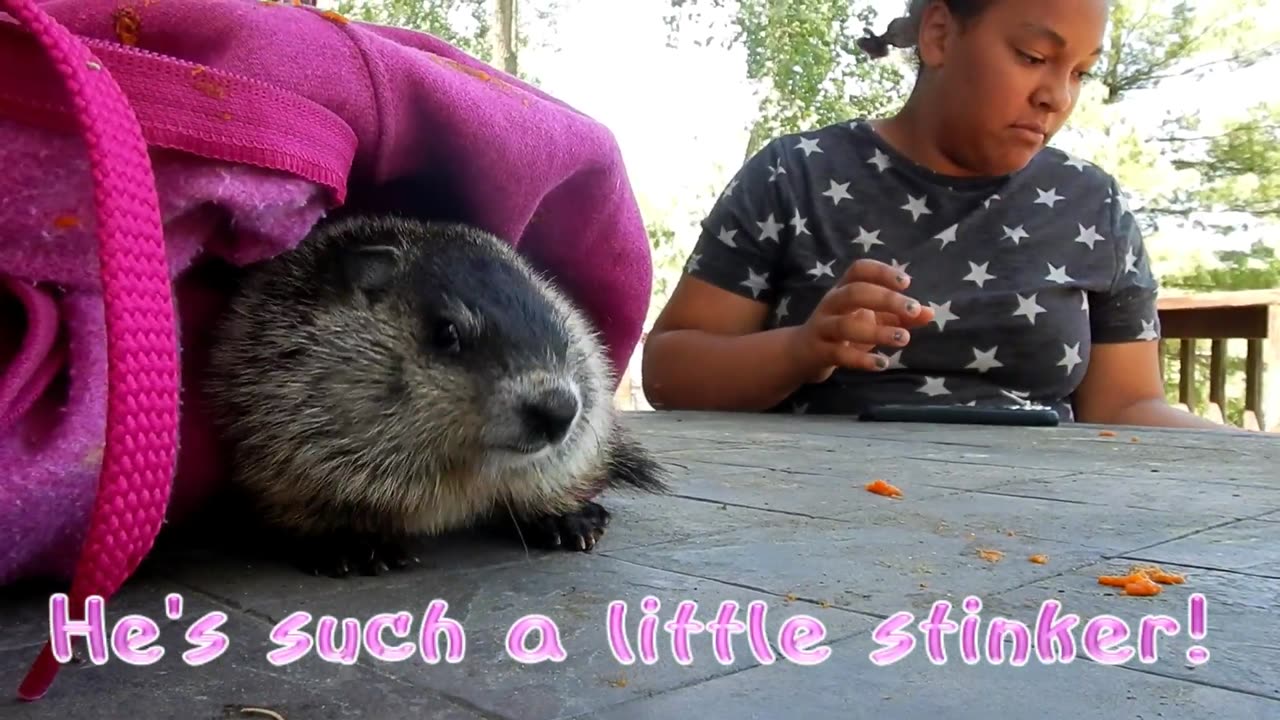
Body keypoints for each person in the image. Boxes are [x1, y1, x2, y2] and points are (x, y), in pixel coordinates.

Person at [640, 0, 1231, 431]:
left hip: (1048, 528)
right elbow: (670, 373)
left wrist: (1253, 457)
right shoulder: (796, 175)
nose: (1058, 96)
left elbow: (1127, 407)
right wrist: (802, 349)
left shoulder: (1093, 204)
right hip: (812, 520)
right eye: (1033, 57)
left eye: (1080, 71)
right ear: (940, 34)